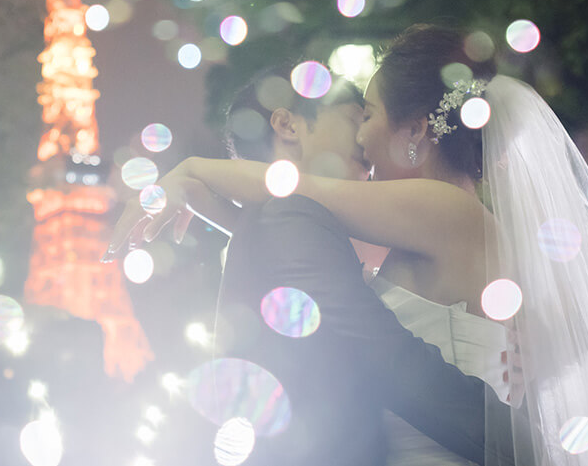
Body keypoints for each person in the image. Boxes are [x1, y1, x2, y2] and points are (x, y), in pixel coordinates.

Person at [116, 26, 588, 466]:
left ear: (416, 132)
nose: (362, 134)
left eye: (367, 114)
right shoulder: (439, 224)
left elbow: (293, 193)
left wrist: (189, 168)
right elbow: (295, 232)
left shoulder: (442, 209)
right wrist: (200, 197)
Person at [106, 65, 514, 466]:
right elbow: (386, 359)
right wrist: (522, 444)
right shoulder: (288, 220)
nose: (361, 138)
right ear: (287, 125)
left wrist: (196, 177)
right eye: (357, 117)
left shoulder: (283, 224)